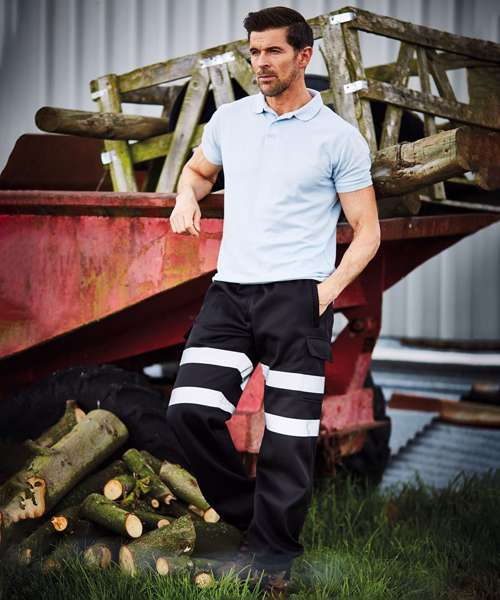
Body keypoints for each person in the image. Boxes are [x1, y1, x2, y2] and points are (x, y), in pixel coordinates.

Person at [166, 5, 380, 594]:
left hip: (298, 297)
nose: (260, 62)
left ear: (303, 56)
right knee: (189, 410)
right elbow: (199, 172)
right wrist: (185, 197)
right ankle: (253, 517)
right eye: (254, 52)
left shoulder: (338, 138)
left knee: (289, 439)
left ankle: (273, 560)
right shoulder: (230, 121)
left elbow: (368, 231)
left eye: (273, 51)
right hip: (230, 293)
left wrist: (325, 292)